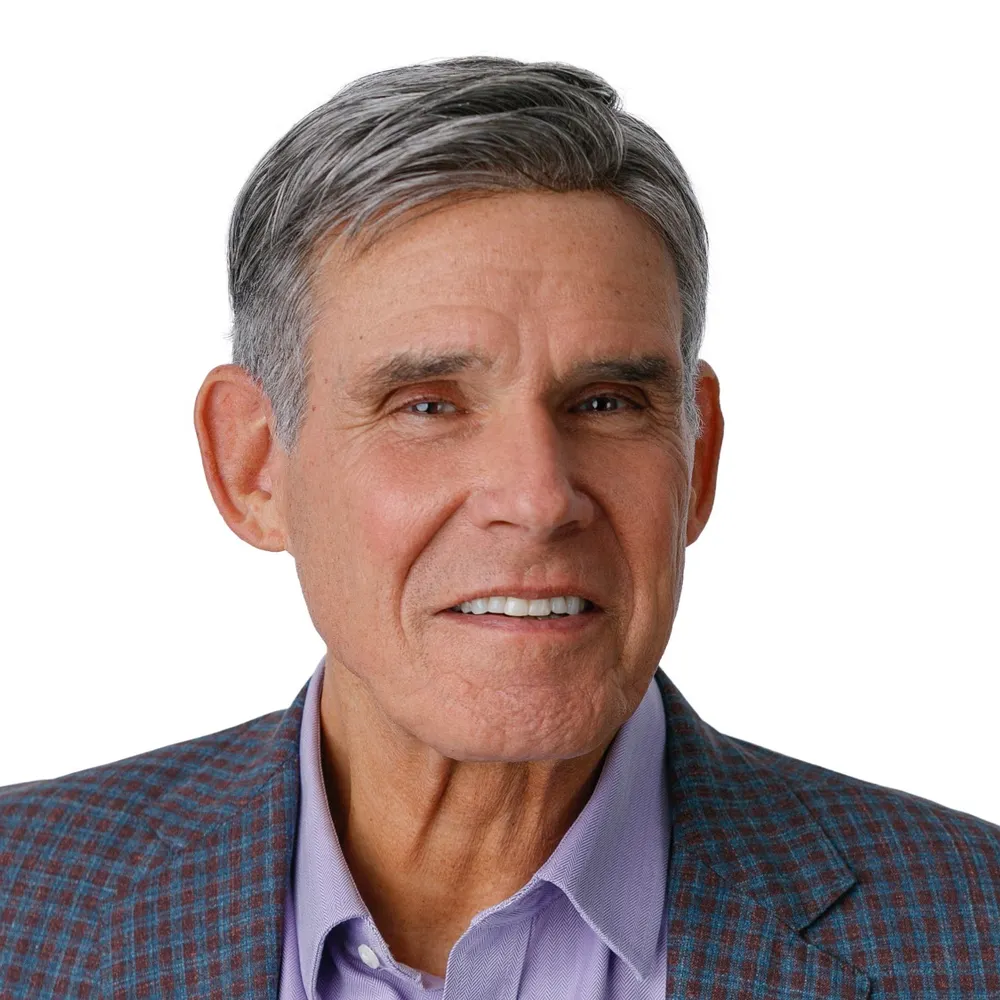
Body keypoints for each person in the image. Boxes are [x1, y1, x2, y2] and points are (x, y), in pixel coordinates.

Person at [1, 55, 997, 1000]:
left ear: (697, 460)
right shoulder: (20, 901)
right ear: (253, 466)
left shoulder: (973, 929)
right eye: (428, 405)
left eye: (606, 403)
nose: (539, 497)